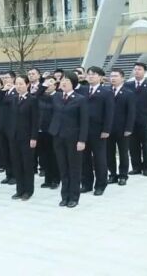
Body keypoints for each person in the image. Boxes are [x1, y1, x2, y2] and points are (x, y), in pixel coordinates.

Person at [49, 71, 88, 208]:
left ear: (73, 83)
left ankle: (74, 197)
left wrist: (82, 140)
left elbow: (84, 122)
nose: (63, 82)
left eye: (67, 80)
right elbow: (38, 96)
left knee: (74, 168)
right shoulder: (56, 97)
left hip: (74, 139)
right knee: (63, 168)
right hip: (58, 137)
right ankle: (64, 196)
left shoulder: (80, 99)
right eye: (62, 80)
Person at [81, 66, 114, 196]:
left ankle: (100, 185)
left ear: (100, 77)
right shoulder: (82, 90)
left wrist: (106, 129)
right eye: (88, 74)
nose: (90, 76)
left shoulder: (106, 92)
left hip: (99, 130)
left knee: (99, 159)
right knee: (85, 158)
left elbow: (109, 113)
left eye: (93, 74)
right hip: (84, 130)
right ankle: (86, 184)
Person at [124, 62, 147, 176]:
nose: (136, 71)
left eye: (139, 69)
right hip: (131, 121)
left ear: (144, 71)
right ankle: (136, 167)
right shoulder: (127, 85)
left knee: (146, 145)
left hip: (145, 121)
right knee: (133, 146)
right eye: (135, 69)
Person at [9, 75, 39, 201]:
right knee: (17, 164)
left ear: (27, 85)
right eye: (16, 84)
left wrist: (33, 137)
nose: (18, 86)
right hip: (14, 137)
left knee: (27, 164)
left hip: (27, 137)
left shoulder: (32, 100)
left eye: (21, 84)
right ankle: (19, 189)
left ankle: (28, 190)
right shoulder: (14, 99)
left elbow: (35, 121)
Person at [107, 68, 136, 186]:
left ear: (122, 78)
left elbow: (131, 112)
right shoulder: (106, 91)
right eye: (111, 76)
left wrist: (129, 128)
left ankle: (123, 175)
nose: (113, 78)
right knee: (109, 153)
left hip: (123, 129)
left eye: (116, 76)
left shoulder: (129, 93)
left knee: (123, 153)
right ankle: (112, 174)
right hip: (108, 129)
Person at [37, 76, 60, 189]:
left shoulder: (58, 96)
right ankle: (48, 179)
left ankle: (56, 179)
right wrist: (43, 86)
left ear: (56, 85)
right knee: (44, 156)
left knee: (54, 156)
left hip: (53, 131)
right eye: (46, 83)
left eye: (51, 83)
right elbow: (35, 96)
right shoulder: (42, 96)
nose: (48, 85)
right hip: (41, 131)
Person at [0, 71, 17, 185]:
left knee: (13, 152)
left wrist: (5, 92)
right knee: (4, 151)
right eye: (3, 78)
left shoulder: (16, 90)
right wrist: (3, 90)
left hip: (12, 127)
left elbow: (10, 102)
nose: (5, 80)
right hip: (1, 127)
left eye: (7, 78)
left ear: (13, 78)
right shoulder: (1, 91)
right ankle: (8, 174)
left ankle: (15, 174)